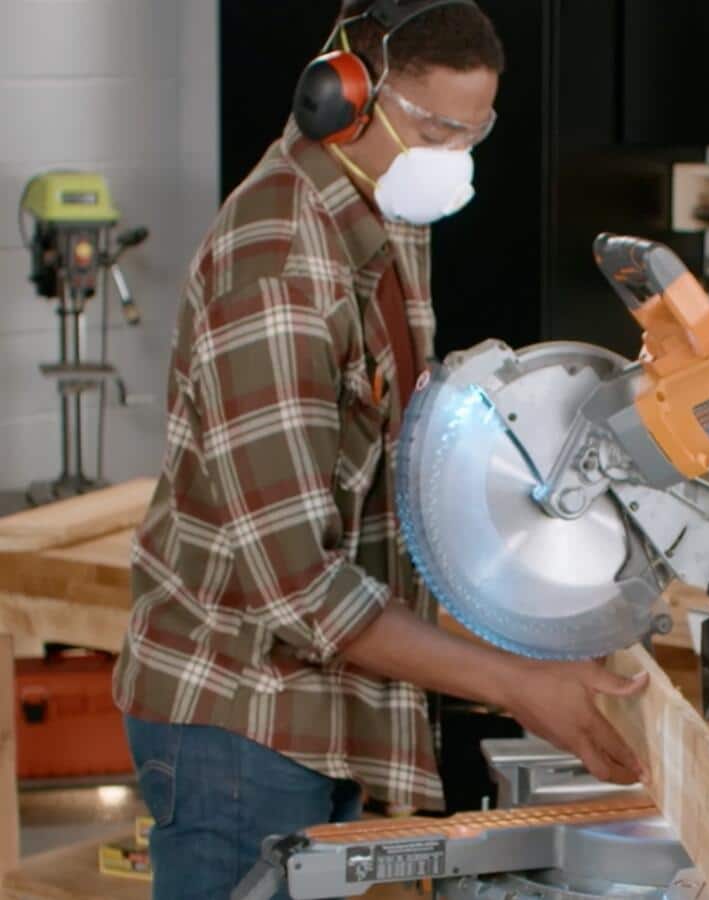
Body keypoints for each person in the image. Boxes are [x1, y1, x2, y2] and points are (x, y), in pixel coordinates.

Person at [113, 3, 645, 897]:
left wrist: (535, 637)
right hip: (240, 724)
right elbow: (296, 586)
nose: (454, 159)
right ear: (343, 95)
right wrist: (516, 685)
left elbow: (390, 498)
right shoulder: (279, 269)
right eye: (436, 128)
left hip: (325, 713)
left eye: (474, 133)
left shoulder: (388, 211)